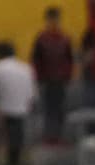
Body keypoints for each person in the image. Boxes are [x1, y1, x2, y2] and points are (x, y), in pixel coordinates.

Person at [31, 7, 74, 145]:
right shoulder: (42, 39)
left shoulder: (65, 39)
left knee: (60, 109)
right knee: (48, 109)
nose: (53, 23)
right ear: (47, 20)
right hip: (46, 81)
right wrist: (38, 79)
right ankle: (48, 136)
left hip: (61, 80)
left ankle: (59, 136)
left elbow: (69, 60)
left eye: (56, 19)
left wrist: (67, 76)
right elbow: (36, 60)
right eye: (51, 20)